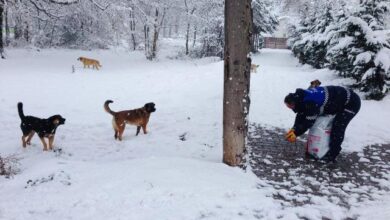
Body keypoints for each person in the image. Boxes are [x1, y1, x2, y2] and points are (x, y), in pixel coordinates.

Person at [284, 85, 361, 162]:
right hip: (338, 99)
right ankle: (326, 148)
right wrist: (294, 129)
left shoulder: (311, 102)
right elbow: (301, 114)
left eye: (290, 107)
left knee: (338, 126)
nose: (291, 109)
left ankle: (332, 154)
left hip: (351, 103)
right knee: (331, 125)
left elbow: (309, 122)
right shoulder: (301, 98)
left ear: (294, 103)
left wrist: (296, 133)